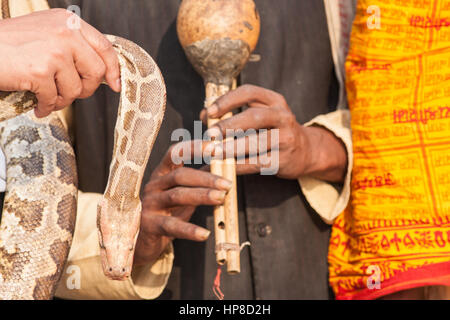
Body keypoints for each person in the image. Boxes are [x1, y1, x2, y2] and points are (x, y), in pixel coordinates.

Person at [44, 0, 354, 300]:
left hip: (313, 272)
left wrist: (322, 147)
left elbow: (393, 118)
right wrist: (127, 240)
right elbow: (25, 180)